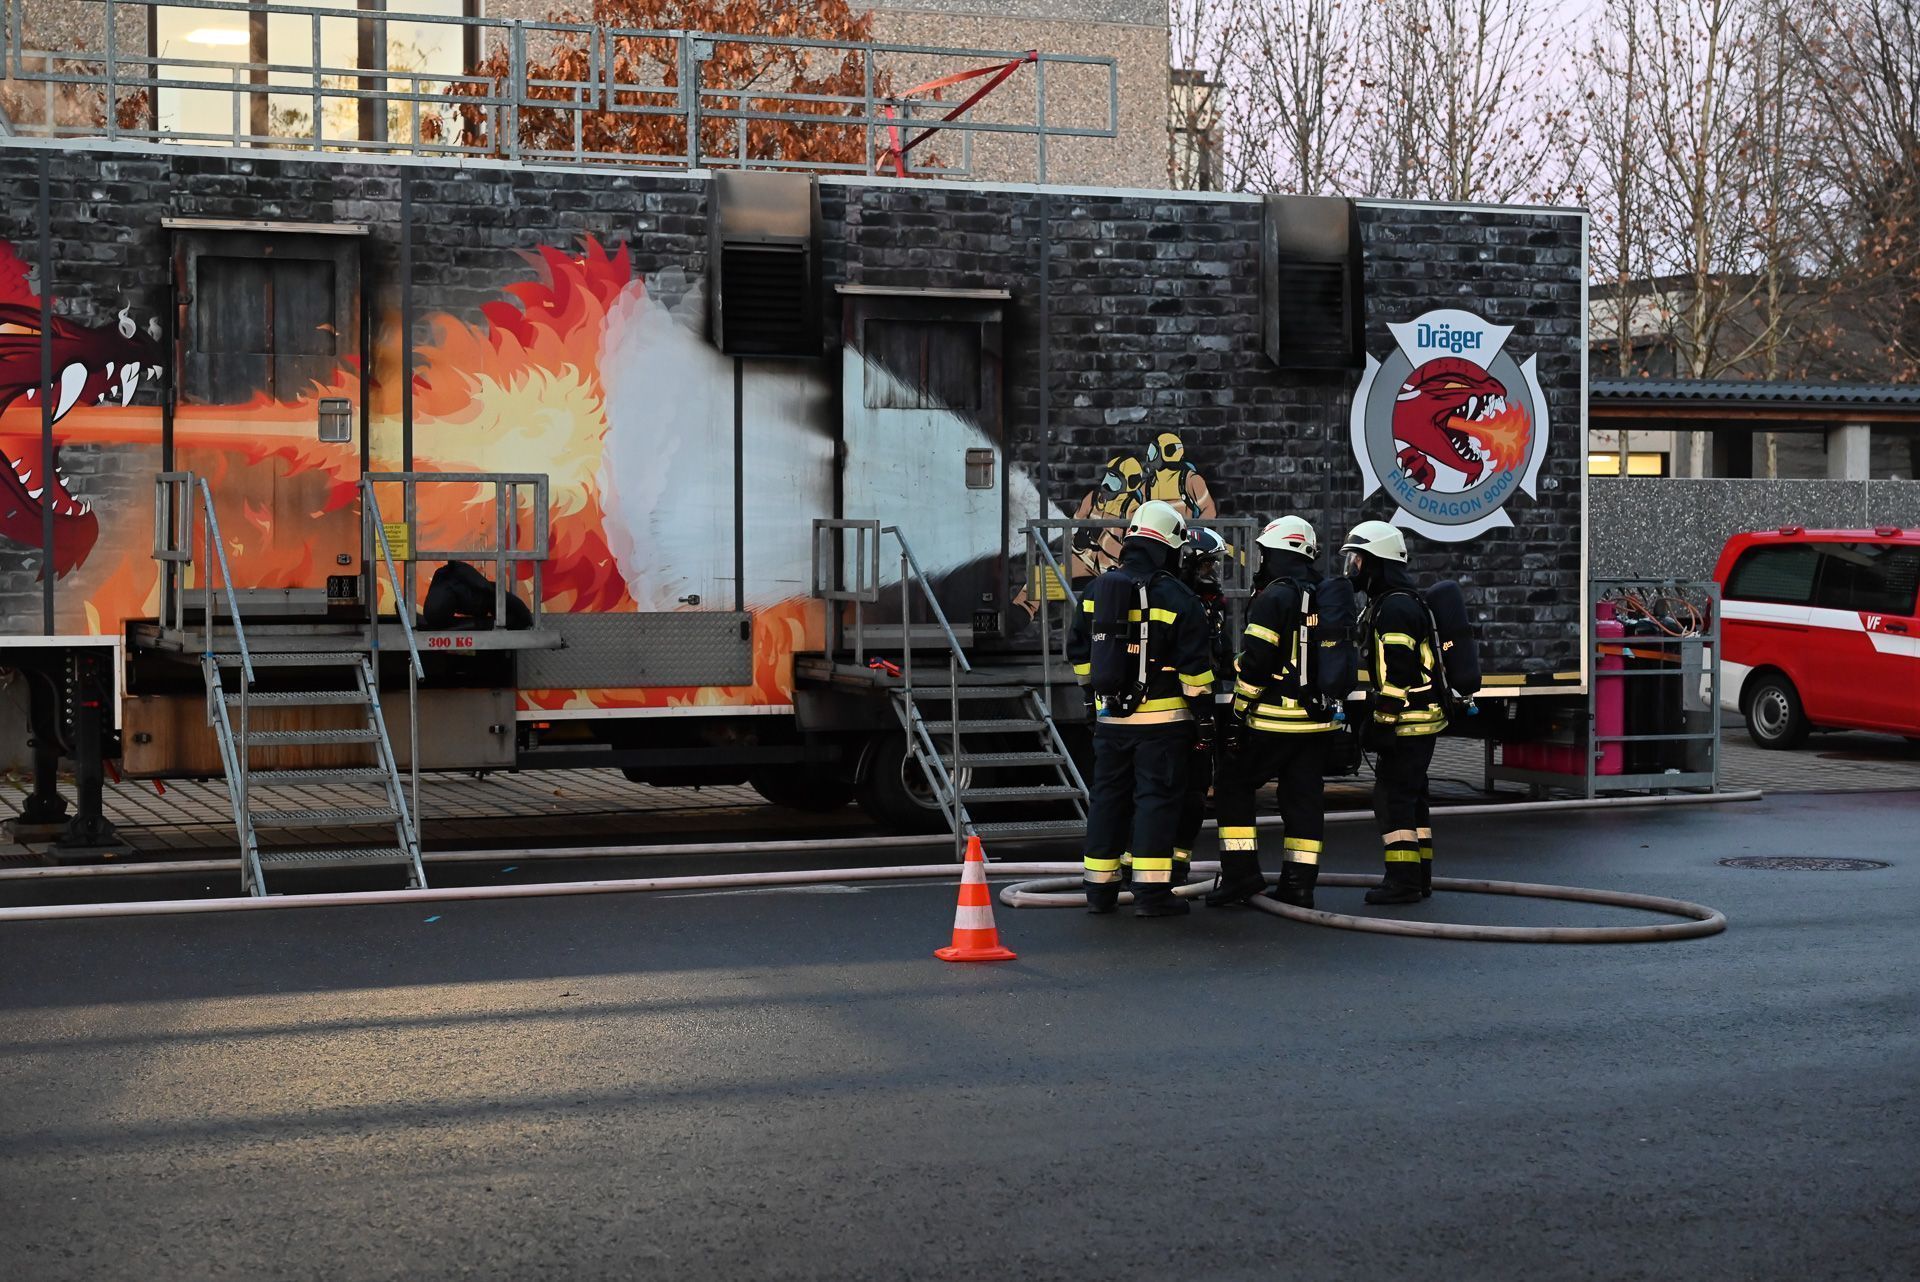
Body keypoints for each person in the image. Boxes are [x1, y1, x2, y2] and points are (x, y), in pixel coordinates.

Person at [1068, 500, 1217, 917]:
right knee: (1155, 800)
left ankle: (1099, 890)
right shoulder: (1179, 596)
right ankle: (1151, 895)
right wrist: (1205, 720)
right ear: (1169, 546)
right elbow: (1195, 674)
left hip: (1111, 720)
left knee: (1108, 799)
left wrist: (1089, 699)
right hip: (1164, 725)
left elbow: (1079, 652)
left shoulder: (1098, 589)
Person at [1205, 516, 1337, 909]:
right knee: (1304, 800)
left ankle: (1241, 875)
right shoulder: (1322, 593)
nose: (1260, 562)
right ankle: (1299, 886)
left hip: (1273, 721)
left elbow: (1256, 663)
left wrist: (1237, 714)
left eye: (1264, 554)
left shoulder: (1274, 597)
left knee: (1232, 784)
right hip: (1316, 722)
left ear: (1277, 554)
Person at [1341, 520, 1445, 906]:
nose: (1353, 567)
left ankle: (1402, 880)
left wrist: (1382, 722)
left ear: (1377, 562)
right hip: (1418, 719)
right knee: (1413, 799)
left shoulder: (1396, 607)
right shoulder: (1394, 601)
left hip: (1409, 722)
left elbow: (1398, 671)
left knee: (1392, 801)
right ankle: (1419, 878)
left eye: (1357, 560)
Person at [1143, 431, 1217, 521]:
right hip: (1155, 534)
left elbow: (1209, 510)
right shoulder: (1148, 485)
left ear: (1168, 451)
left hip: (1182, 534)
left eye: (1154, 452)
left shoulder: (1191, 480)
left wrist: (1192, 532)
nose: (1149, 457)